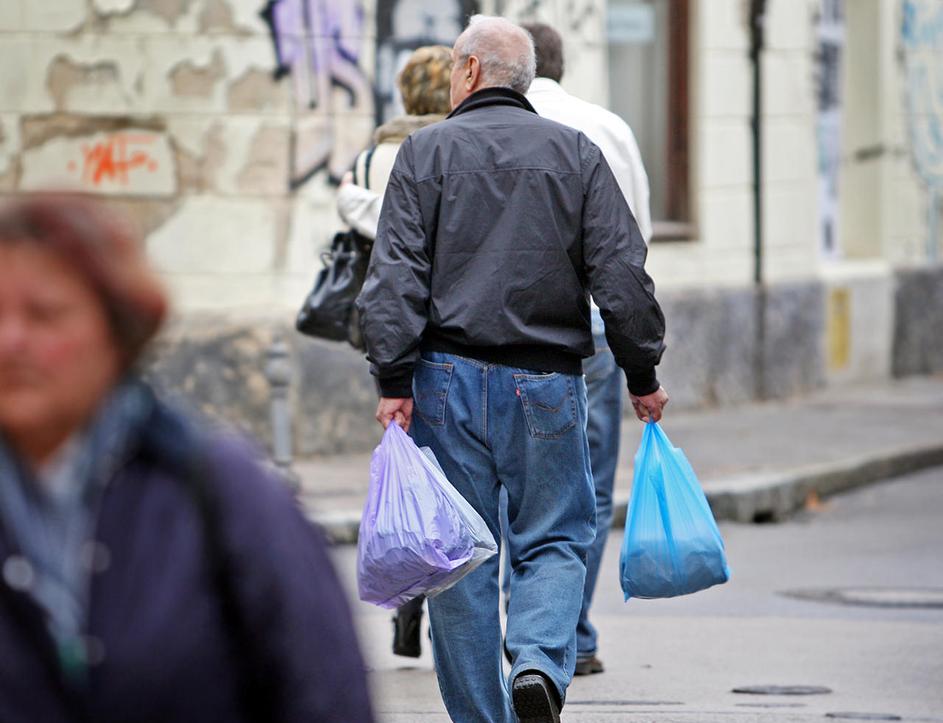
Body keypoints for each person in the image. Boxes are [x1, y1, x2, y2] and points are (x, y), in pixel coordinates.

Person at [356, 15, 668, 723]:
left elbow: (394, 273)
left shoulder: (424, 154)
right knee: (556, 535)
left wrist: (393, 380)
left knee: (458, 556)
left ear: (466, 72)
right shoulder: (575, 153)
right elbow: (621, 274)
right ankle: (535, 660)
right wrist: (641, 371)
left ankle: (483, 717)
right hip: (546, 382)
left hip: (443, 380)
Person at [0, 195, 375, 723]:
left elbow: (324, 693)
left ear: (118, 330)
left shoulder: (217, 488)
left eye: (44, 315)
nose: (9, 342)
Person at [516, 21, 653, 677]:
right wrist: (641, 364)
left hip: (496, 334)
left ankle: (520, 625)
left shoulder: (474, 128)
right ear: (561, 65)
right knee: (586, 491)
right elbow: (633, 248)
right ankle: (566, 629)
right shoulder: (608, 128)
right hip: (590, 333)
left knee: (500, 484)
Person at [337, 44, 454, 660]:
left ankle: (408, 602)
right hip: (453, 333)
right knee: (455, 477)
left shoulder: (369, 159)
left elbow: (363, 222)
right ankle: (446, 605)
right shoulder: (457, 152)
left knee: (406, 473)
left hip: (387, 335)